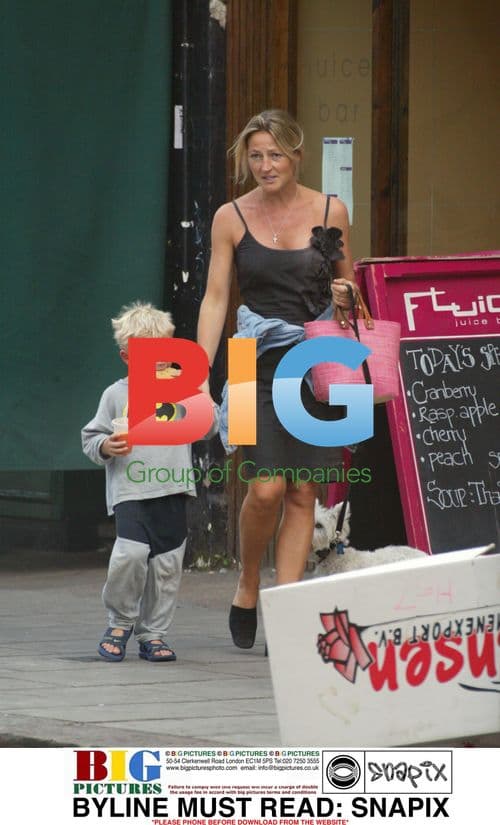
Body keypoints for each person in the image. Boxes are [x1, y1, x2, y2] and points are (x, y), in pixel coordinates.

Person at [197, 109, 360, 650]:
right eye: (256, 155)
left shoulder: (331, 211)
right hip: (252, 360)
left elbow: (351, 290)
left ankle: (285, 612)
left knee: (302, 490)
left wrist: (345, 298)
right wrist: (197, 370)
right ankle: (247, 584)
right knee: (265, 487)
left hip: (317, 357)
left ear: (297, 155)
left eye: (275, 154)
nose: (265, 165)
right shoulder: (230, 217)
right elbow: (217, 297)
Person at [82, 301, 218, 662]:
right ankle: (120, 620)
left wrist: (202, 392)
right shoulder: (115, 395)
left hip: (174, 488)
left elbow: (210, 427)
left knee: (167, 565)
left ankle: (153, 633)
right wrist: (106, 445)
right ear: (128, 357)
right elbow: (91, 437)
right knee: (130, 555)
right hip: (131, 491)